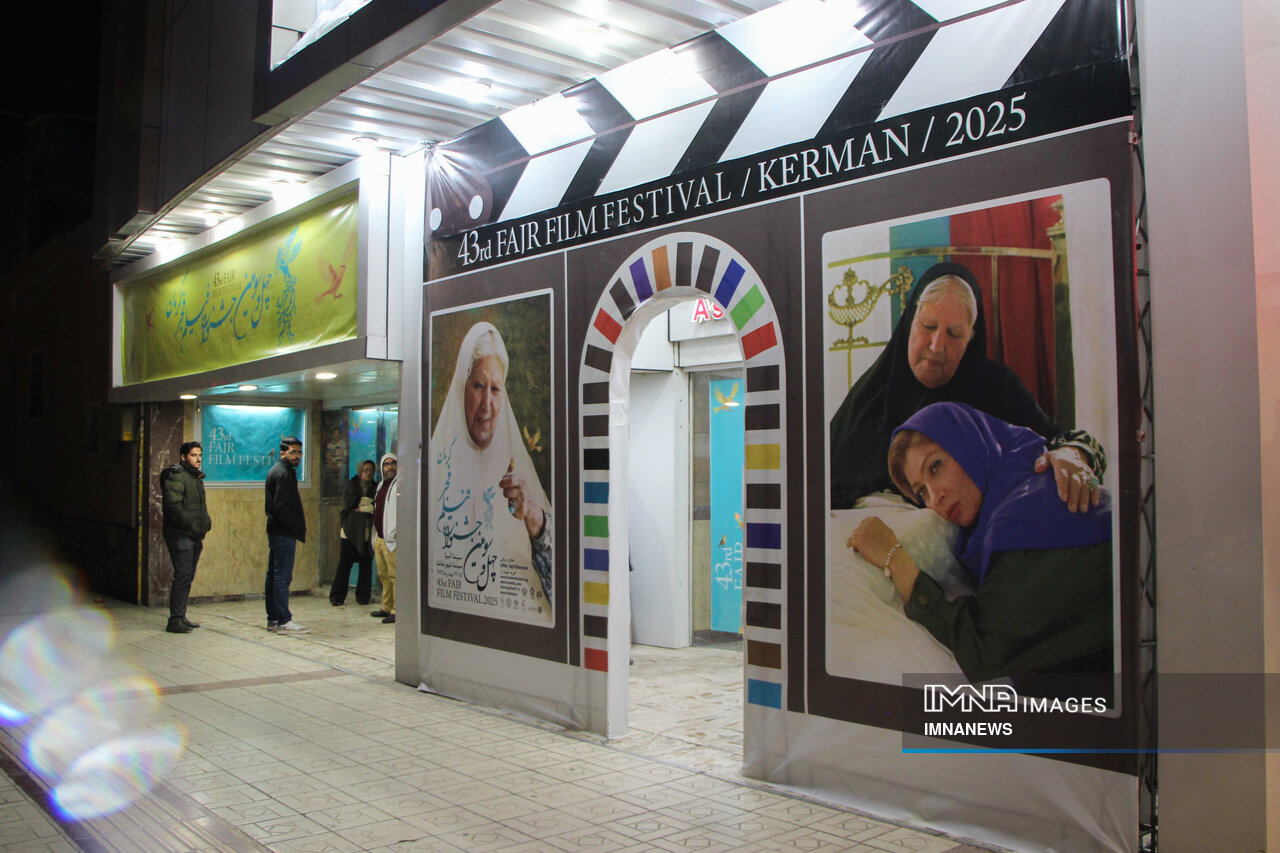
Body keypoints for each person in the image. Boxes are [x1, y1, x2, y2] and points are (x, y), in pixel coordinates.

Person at [847, 402, 1113, 687]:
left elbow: (982, 651)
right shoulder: (1018, 478)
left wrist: (895, 559)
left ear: (970, 444)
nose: (935, 498)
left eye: (936, 467)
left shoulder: (1019, 520)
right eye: (922, 492)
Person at [829, 262, 1105, 511]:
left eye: (954, 334)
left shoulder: (995, 388)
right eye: (928, 326)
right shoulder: (872, 393)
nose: (937, 346)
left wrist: (1073, 454)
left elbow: (1066, 441)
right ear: (909, 324)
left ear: (970, 340)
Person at [428, 322, 552, 620]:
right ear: (462, 387)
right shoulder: (436, 471)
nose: (487, 404)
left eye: (495, 389)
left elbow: (562, 587)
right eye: (478, 386)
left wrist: (536, 521)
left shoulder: (520, 477)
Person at [160, 440, 211, 634]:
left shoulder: (195, 476)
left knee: (187, 576)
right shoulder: (176, 476)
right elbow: (174, 508)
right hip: (180, 535)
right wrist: (193, 526)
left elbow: (199, 506)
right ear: (183, 457)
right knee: (182, 576)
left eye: (200, 455)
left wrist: (205, 523)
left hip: (194, 535)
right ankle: (175, 619)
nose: (198, 459)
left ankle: (180, 615)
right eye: (193, 455)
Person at [264, 436, 309, 634]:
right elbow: (281, 507)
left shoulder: (279, 471)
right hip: (283, 532)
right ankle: (283, 619)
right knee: (282, 576)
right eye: (293, 452)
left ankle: (273, 618)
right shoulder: (283, 474)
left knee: (274, 575)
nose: (297, 456)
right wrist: (294, 526)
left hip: (278, 531)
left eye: (299, 452)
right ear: (283, 453)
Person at [329, 459, 376, 606]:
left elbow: (375, 506)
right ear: (360, 471)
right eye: (365, 470)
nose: (368, 473)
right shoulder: (351, 485)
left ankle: (363, 597)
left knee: (366, 565)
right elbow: (350, 504)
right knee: (345, 564)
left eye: (371, 470)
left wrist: (364, 507)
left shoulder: (375, 487)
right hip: (349, 531)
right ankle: (337, 596)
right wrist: (367, 504)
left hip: (366, 532)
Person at [370, 453, 399, 623]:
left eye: (393, 463)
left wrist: (395, 533)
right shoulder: (381, 485)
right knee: (383, 575)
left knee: (395, 576)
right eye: (386, 464)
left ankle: (397, 610)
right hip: (380, 538)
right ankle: (386, 607)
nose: (390, 467)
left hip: (392, 540)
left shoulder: (400, 486)